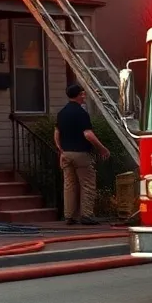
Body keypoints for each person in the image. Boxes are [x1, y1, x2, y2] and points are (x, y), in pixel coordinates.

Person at [54, 83, 111, 225]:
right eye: (83, 93)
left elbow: (56, 133)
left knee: (69, 185)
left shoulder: (62, 113)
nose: (84, 96)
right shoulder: (81, 113)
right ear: (79, 95)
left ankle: (69, 216)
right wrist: (102, 148)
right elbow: (88, 134)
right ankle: (86, 215)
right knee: (87, 184)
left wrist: (60, 148)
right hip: (81, 154)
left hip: (66, 154)